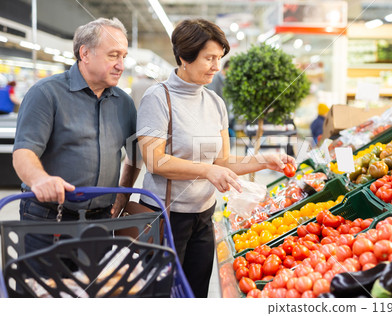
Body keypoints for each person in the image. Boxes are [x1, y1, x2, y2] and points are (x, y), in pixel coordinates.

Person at [136, 18, 296, 297]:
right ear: (185, 56)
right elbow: (154, 161)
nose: (216, 66)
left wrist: (264, 160)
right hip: (166, 217)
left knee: (196, 293)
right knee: (160, 296)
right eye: (209, 58)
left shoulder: (214, 103)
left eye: (219, 58)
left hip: (204, 215)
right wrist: (206, 171)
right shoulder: (158, 98)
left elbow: (221, 162)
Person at [12, 18, 140, 255]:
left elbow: (134, 155)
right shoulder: (46, 94)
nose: (121, 65)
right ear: (85, 53)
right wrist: (39, 179)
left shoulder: (124, 103)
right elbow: (24, 152)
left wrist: (124, 193)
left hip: (100, 221)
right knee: (43, 289)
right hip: (47, 218)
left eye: (123, 56)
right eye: (113, 55)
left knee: (90, 289)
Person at [206, 60, 235, 139]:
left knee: (230, 141)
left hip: (230, 117)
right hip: (220, 119)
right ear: (226, 68)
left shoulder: (229, 81)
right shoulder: (215, 80)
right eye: (232, 69)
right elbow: (212, 99)